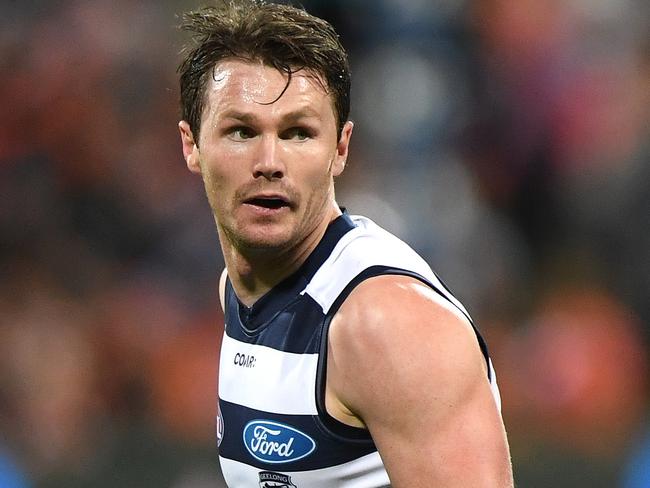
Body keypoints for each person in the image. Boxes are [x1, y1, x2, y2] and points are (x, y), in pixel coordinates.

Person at [177, 1, 513, 486]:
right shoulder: (238, 288)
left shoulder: (385, 324)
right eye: (241, 131)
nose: (269, 161)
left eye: (298, 133)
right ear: (192, 145)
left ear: (340, 149)